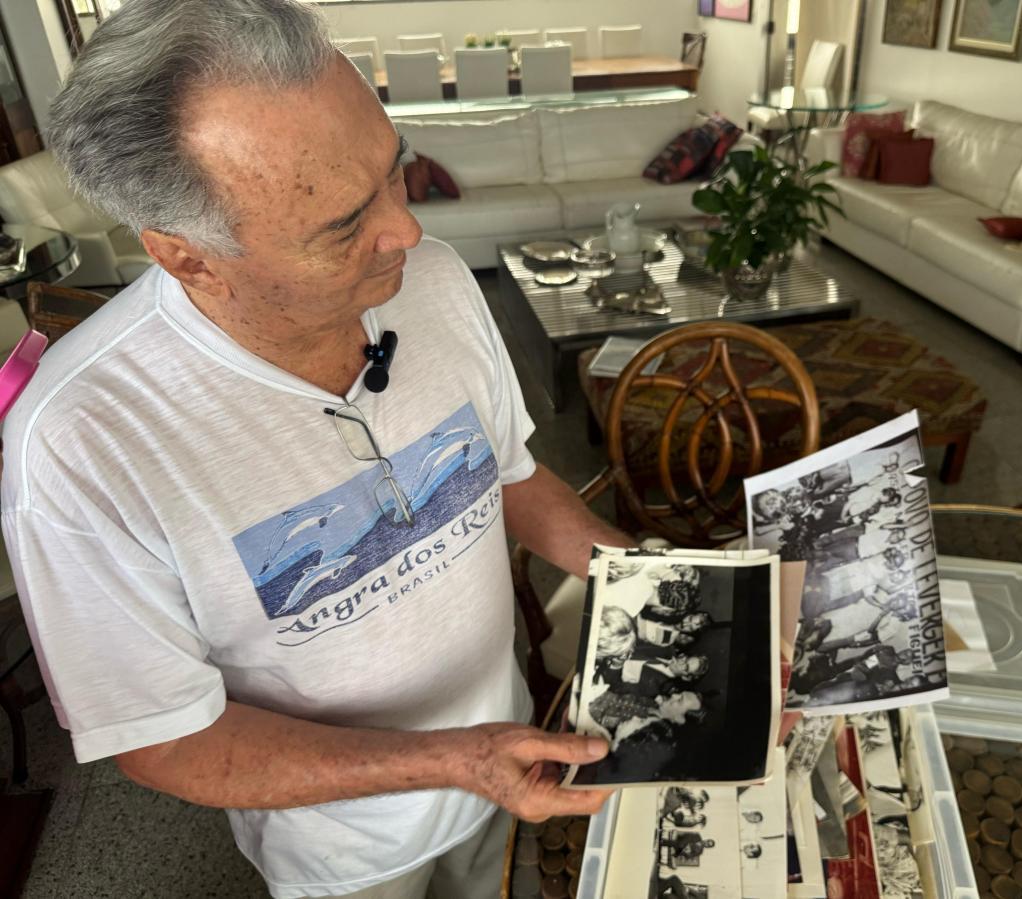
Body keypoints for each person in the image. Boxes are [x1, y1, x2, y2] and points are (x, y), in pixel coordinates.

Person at [3, 2, 637, 897]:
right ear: (188, 257)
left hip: (509, 762)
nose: (406, 231)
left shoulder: (435, 281)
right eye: (343, 225)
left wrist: (667, 577)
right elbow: (163, 738)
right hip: (347, 848)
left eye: (393, 169)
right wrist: (455, 759)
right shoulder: (82, 440)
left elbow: (510, 476)